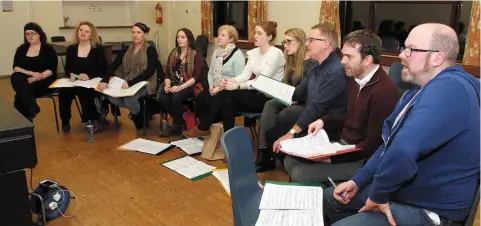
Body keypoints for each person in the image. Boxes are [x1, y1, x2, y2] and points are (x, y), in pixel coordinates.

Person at [324, 23, 480, 226]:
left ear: (437, 58)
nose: (401, 55)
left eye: (411, 50)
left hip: (429, 210)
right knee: (330, 200)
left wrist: (379, 194)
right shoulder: (415, 93)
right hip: (403, 194)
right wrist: (358, 181)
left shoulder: (450, 88)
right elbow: (388, 145)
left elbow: (404, 149)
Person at [283, 29, 400, 185]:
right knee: (290, 161)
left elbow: (372, 145)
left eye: (349, 57)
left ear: (367, 60)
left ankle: (323, 198)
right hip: (344, 146)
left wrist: (331, 158)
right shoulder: (355, 78)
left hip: (363, 160)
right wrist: (325, 120)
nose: (343, 61)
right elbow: (354, 117)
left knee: (299, 172)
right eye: (343, 55)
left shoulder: (384, 91)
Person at [257, 23, 349, 172]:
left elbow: (316, 108)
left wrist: (291, 133)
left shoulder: (334, 71)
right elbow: (297, 93)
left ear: (325, 43)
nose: (306, 43)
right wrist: (269, 87)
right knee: (271, 134)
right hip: (313, 121)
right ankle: (285, 161)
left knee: (279, 140)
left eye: (311, 40)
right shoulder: (318, 67)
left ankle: (297, 168)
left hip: (326, 127)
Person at [255, 28, 316, 171]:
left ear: (300, 42)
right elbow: (284, 84)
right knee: (269, 104)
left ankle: (276, 152)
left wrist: (291, 96)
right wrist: (272, 89)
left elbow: (310, 91)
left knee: (285, 114)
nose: (285, 45)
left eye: (289, 42)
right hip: (291, 99)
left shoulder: (310, 64)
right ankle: (265, 152)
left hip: (304, 104)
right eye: (284, 42)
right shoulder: (290, 61)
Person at [219, 21, 285, 132]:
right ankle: (229, 137)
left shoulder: (275, 54)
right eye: (255, 33)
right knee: (227, 101)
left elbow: (261, 81)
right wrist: (229, 81)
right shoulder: (253, 53)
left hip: (269, 98)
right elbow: (245, 75)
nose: (255, 36)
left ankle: (206, 124)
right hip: (255, 92)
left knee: (226, 94)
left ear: (269, 37)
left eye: (259, 33)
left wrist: (236, 86)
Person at [183, 25, 245, 137]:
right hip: (215, 87)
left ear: (231, 39)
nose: (219, 38)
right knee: (200, 99)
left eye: (223, 35)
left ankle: (203, 128)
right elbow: (211, 72)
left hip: (230, 90)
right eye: (218, 35)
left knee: (217, 101)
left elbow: (239, 79)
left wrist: (219, 89)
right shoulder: (217, 52)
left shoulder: (238, 55)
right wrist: (212, 87)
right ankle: (207, 127)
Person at [99, 22, 158, 130]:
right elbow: (113, 65)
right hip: (128, 81)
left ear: (144, 35)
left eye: (138, 32)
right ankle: (142, 113)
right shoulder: (126, 49)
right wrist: (105, 80)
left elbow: (150, 71)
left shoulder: (150, 49)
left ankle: (139, 120)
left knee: (130, 98)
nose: (135, 35)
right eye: (133, 32)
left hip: (146, 82)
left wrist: (130, 83)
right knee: (112, 97)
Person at [59, 21, 107, 133]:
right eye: (81, 30)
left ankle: (93, 119)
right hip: (75, 81)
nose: (83, 33)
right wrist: (70, 74)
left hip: (91, 81)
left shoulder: (97, 49)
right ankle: (65, 121)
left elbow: (103, 68)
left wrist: (89, 75)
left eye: (87, 31)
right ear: (77, 32)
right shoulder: (71, 48)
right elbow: (68, 67)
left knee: (85, 91)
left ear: (91, 34)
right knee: (64, 92)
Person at [158, 28, 206, 137]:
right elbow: (168, 74)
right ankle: (179, 123)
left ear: (189, 40)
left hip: (191, 85)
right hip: (175, 83)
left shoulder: (196, 54)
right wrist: (167, 85)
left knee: (176, 97)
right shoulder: (174, 53)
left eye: (183, 37)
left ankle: (179, 126)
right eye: (178, 37)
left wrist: (180, 88)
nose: (179, 39)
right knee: (163, 95)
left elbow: (196, 77)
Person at [11, 22, 58, 122]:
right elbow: (16, 67)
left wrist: (37, 77)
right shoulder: (21, 49)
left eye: (33, 33)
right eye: (27, 34)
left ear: (40, 34)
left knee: (21, 93)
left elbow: (51, 69)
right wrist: (32, 74)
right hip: (26, 80)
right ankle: (32, 108)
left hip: (43, 81)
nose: (30, 36)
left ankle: (26, 120)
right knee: (16, 77)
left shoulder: (48, 49)